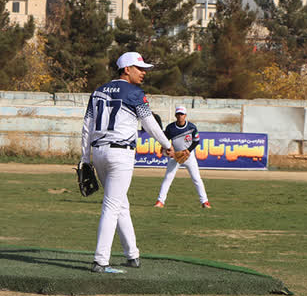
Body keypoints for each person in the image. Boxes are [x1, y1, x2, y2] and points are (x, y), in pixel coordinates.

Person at [80, 52, 175, 273]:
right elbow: (149, 122)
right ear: (126, 69)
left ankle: (132, 254)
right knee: (112, 206)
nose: (143, 73)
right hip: (120, 153)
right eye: (139, 68)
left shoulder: (98, 92)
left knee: (120, 203)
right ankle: (100, 260)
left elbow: (87, 128)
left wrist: (85, 158)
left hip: (99, 152)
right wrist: (166, 144)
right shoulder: (134, 92)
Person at [154, 106, 211, 209]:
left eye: (182, 114)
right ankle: (160, 201)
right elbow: (165, 141)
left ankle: (205, 202)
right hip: (175, 156)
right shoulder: (170, 128)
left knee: (196, 178)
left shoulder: (191, 127)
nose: (180, 116)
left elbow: (196, 141)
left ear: (185, 115)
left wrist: (188, 151)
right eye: (178, 114)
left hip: (189, 156)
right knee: (168, 178)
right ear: (176, 115)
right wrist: (167, 149)